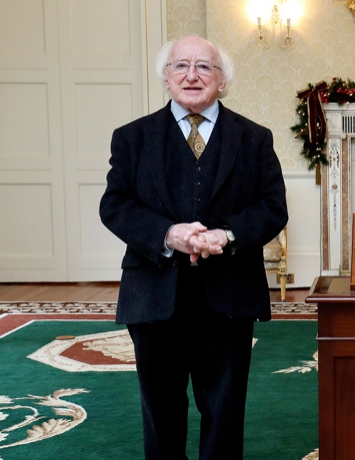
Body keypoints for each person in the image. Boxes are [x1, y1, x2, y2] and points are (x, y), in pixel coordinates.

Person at [99, 35, 288, 459]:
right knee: (160, 410)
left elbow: (273, 207)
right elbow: (115, 206)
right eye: (180, 65)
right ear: (165, 79)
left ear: (222, 82)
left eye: (205, 67)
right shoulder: (132, 138)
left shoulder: (255, 138)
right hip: (154, 295)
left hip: (229, 295)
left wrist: (228, 235)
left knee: (224, 410)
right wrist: (169, 235)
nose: (191, 74)